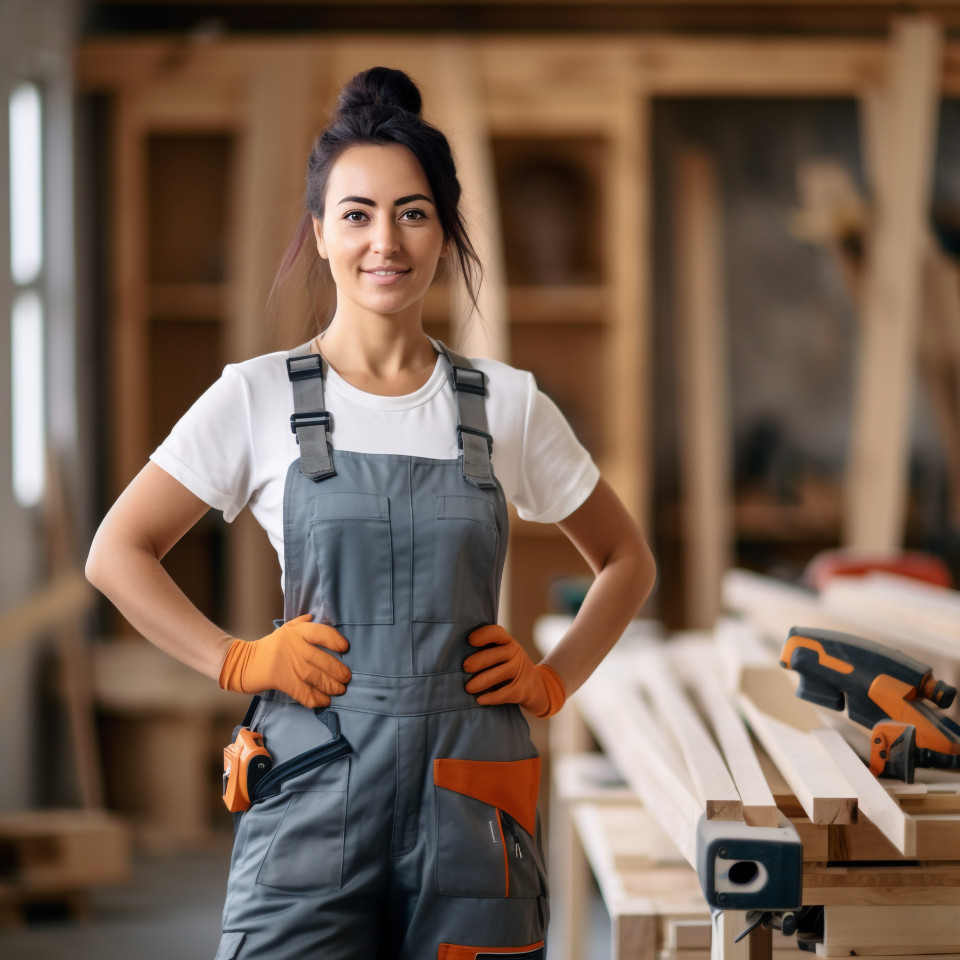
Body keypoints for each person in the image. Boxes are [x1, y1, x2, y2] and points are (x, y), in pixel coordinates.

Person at [86, 66, 656, 960]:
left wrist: (552, 679)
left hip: (471, 798)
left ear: (444, 231)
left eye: (413, 212)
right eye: (356, 214)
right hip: (313, 788)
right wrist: (237, 659)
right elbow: (117, 552)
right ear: (319, 233)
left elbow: (628, 559)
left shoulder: (506, 404)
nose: (384, 241)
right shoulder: (257, 395)